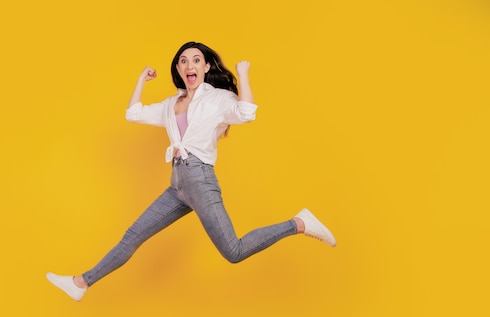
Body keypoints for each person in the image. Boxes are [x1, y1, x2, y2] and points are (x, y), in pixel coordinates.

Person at [47, 41, 336, 302]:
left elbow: (247, 112)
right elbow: (133, 113)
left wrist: (243, 73)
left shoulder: (216, 99)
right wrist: (140, 81)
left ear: (206, 66)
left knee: (233, 252)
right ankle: (81, 283)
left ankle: (298, 223)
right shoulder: (172, 103)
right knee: (132, 236)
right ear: (178, 68)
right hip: (178, 185)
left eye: (196, 60)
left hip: (199, 180)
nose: (189, 65)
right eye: (183, 61)